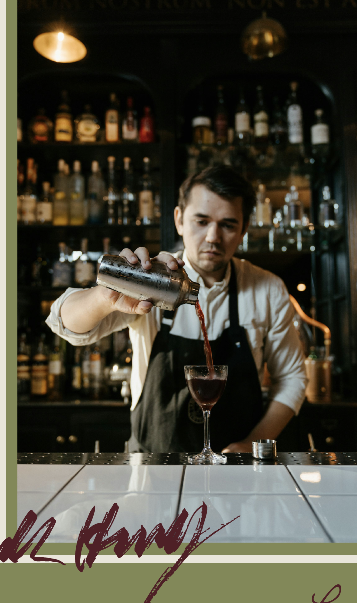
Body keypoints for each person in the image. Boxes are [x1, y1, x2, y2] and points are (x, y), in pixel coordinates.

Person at [47, 162, 307, 454]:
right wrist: (107, 295)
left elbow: (292, 379)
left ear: (244, 228)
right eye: (201, 221)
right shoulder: (153, 279)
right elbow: (63, 322)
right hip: (151, 465)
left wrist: (251, 444)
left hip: (238, 471)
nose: (212, 237)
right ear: (179, 219)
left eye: (228, 224)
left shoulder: (268, 289)